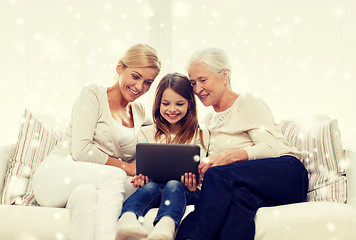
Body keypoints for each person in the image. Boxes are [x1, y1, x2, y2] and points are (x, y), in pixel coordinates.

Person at [175, 48, 309, 240]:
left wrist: (225, 157)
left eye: (203, 80)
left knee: (218, 174)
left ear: (224, 75)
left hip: (287, 174)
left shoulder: (246, 102)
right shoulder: (208, 121)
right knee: (238, 200)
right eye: (193, 83)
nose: (197, 89)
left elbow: (270, 148)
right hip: (252, 186)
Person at [32, 44, 161, 240]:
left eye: (148, 82)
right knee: (115, 176)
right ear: (119, 68)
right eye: (135, 76)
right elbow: (82, 150)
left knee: (86, 196)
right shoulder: (93, 94)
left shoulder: (140, 113)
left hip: (86, 184)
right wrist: (127, 167)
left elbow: (166, 132)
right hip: (57, 174)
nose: (139, 87)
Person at [116, 73, 209, 240]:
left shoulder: (201, 134)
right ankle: (127, 219)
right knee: (150, 186)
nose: (172, 110)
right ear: (158, 104)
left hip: (187, 190)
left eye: (179, 104)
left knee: (173, 184)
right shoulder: (146, 133)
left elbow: (201, 168)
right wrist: (141, 178)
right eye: (166, 104)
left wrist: (195, 181)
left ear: (189, 104)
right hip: (155, 188)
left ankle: (165, 227)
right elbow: (143, 168)